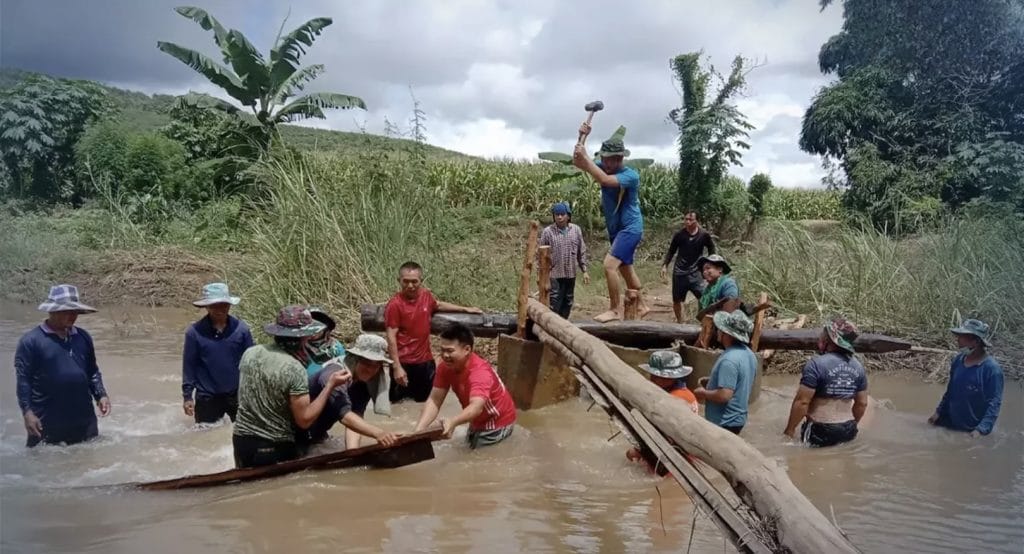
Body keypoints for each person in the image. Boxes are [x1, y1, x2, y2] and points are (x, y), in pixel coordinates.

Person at [232, 306, 352, 468]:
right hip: (275, 446)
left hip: (241, 441)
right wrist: (329, 386)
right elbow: (304, 420)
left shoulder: (250, 353)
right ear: (304, 337)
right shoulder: (294, 368)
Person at [15, 285, 111, 447]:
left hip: (83, 418)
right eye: (67, 311)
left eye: (75, 311)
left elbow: (92, 370)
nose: (73, 315)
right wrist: (27, 413)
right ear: (52, 311)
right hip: (47, 420)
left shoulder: (83, 337)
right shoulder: (31, 341)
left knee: (88, 462)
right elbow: (24, 381)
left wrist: (101, 395)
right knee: (45, 465)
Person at [572, 127, 648, 323]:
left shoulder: (630, 175)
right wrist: (583, 137)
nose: (605, 163)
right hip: (616, 229)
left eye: (609, 159)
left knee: (609, 266)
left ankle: (615, 309)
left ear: (619, 159)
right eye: (603, 159)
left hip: (630, 228)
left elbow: (604, 181)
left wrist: (587, 159)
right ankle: (641, 305)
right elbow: (578, 161)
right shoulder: (603, 165)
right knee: (626, 270)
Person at [385, 261, 482, 404]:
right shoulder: (395, 305)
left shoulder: (426, 296)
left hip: (425, 363)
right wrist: (396, 367)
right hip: (404, 363)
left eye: (414, 281)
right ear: (399, 280)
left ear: (421, 281)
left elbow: (438, 305)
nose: (410, 286)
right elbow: (390, 336)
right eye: (405, 281)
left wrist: (465, 309)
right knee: (398, 407)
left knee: (427, 403)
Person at [414, 323, 517, 448]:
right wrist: (417, 432)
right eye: (442, 350)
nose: (445, 355)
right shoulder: (445, 367)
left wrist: (453, 422)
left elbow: (476, 407)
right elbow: (434, 400)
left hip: (496, 423)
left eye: (450, 351)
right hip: (476, 420)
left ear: (467, 349)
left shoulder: (480, 373)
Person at [298, 334, 401, 451]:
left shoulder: (363, 382)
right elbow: (345, 415)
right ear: (354, 358)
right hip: (294, 434)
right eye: (366, 363)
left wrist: (353, 452)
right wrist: (378, 433)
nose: (370, 370)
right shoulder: (334, 374)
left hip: (317, 434)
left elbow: (355, 417)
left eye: (376, 365)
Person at [783, 318, 869, 447]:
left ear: (829, 339)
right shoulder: (859, 367)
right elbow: (862, 403)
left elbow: (802, 402)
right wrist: (852, 425)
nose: (820, 337)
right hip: (849, 429)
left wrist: (789, 431)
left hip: (821, 430)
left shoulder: (815, 364)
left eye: (824, 334)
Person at [182, 282, 254, 424]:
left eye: (224, 305)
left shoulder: (242, 330)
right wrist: (187, 396)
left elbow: (251, 362)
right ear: (207, 307)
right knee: (205, 439)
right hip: (207, 397)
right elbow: (189, 366)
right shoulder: (194, 333)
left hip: (237, 395)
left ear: (229, 305)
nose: (220, 309)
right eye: (214, 305)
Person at [928, 319, 1004, 437]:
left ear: (975, 341)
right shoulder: (958, 361)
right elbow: (950, 391)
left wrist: (980, 430)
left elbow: (994, 404)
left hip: (970, 430)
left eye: (962, 336)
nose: (957, 339)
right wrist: (938, 412)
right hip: (949, 422)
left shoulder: (992, 370)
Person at [626, 351, 698, 465]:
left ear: (667, 377)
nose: (651, 379)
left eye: (655, 376)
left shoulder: (672, 401)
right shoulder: (687, 394)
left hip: (672, 461)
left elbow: (666, 436)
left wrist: (639, 451)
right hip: (686, 458)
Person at [693, 311, 757, 435]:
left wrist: (703, 393)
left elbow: (724, 395)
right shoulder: (749, 354)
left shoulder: (729, 360)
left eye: (720, 329)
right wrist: (714, 381)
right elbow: (741, 381)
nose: (718, 331)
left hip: (724, 422)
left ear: (727, 334)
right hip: (738, 419)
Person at [661, 212, 716, 323]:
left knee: (704, 298)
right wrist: (664, 265)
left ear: (697, 221)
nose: (687, 222)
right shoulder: (679, 235)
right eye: (686, 219)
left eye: (690, 219)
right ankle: (681, 323)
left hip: (696, 273)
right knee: (677, 301)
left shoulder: (704, 235)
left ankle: (704, 322)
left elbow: (711, 248)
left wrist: (710, 264)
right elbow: (671, 251)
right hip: (679, 272)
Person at [538, 201, 590, 319]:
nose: (560, 217)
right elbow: (540, 255)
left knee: (568, 300)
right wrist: (540, 274)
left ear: (568, 216)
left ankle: (564, 324)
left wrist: (585, 270)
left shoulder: (576, 230)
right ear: (554, 216)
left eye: (562, 214)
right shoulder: (548, 232)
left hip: (570, 273)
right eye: (557, 215)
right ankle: (553, 325)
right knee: (554, 300)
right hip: (554, 273)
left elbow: (581, 251)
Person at [303, 307, 346, 377]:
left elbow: (344, 366)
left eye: (317, 327)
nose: (313, 330)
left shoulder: (335, 346)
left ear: (326, 328)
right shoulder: (300, 345)